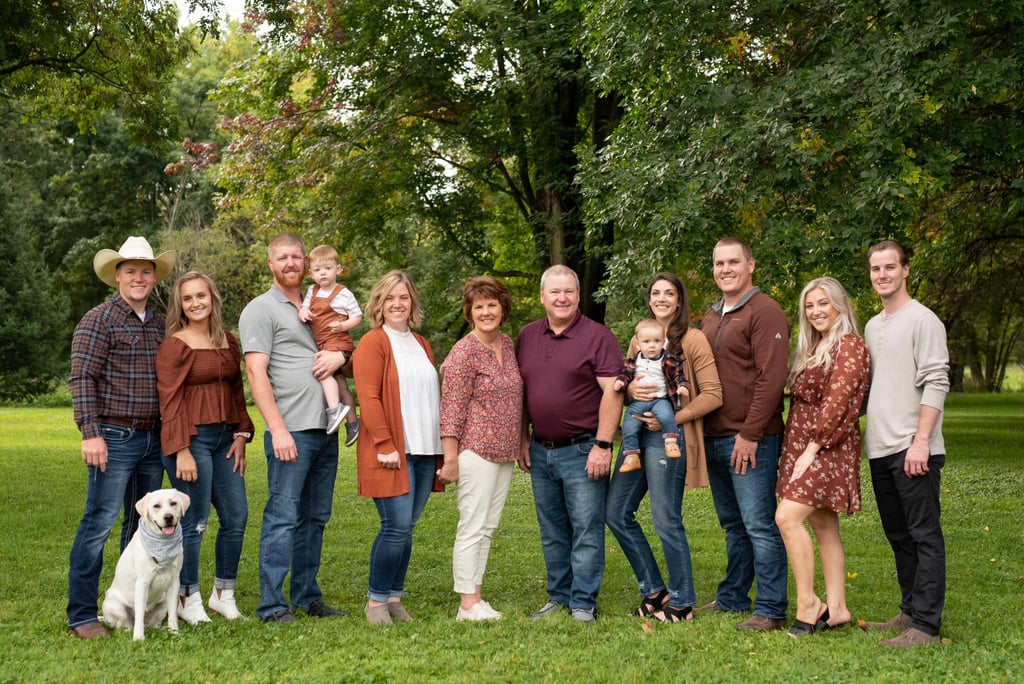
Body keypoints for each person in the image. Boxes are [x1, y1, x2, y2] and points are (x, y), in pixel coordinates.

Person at [67, 235, 177, 639]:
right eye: (131, 271)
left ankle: (137, 605)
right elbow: (82, 377)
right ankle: (82, 615)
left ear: (154, 277)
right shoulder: (99, 319)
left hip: (153, 437)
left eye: (146, 271)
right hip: (113, 436)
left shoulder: (161, 324)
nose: (138, 278)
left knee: (142, 524)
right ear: (117, 275)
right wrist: (91, 433)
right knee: (99, 521)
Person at [239, 233, 348, 623]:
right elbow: (256, 372)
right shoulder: (260, 309)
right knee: (283, 517)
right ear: (270, 264)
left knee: (315, 517)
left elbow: (340, 348)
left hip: (325, 427)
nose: (290, 263)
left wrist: (339, 357)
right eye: (282, 257)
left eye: (296, 257)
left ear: (306, 262)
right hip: (291, 431)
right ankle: (272, 605)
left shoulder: (320, 303)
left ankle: (307, 596)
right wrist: (278, 429)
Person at [607, 273, 723, 624]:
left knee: (665, 519)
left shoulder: (693, 339)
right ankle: (655, 590)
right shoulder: (640, 337)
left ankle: (683, 601)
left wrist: (673, 416)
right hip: (637, 436)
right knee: (615, 512)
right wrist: (631, 392)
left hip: (668, 437)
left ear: (679, 300)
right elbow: (629, 381)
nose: (661, 298)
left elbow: (713, 394)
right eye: (655, 293)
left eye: (669, 293)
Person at [516, 265, 624, 623]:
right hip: (540, 449)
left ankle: (583, 603)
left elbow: (613, 393)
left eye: (569, 292)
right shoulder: (527, 336)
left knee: (586, 530)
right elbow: (521, 392)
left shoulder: (597, 336)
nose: (562, 298)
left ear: (578, 295)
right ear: (542, 297)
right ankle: (558, 596)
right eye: (555, 292)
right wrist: (522, 438)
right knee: (551, 531)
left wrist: (603, 445)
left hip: (583, 449)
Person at [861, 240, 950, 648]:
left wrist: (921, 441)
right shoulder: (872, 326)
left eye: (889, 267)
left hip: (914, 449)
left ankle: (926, 626)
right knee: (899, 535)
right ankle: (910, 610)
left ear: (905, 270)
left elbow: (936, 381)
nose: (882, 275)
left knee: (924, 535)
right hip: (880, 449)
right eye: (876, 269)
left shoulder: (923, 320)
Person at [700, 237, 790, 631]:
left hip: (752, 438)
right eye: (719, 263)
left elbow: (772, 378)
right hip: (714, 436)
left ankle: (771, 608)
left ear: (750, 265)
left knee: (759, 524)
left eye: (733, 262)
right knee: (733, 525)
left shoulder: (765, 311)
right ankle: (733, 596)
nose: (726, 269)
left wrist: (751, 434)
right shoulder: (711, 316)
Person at [156, 271, 255, 623]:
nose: (196, 303)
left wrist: (242, 434)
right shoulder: (174, 345)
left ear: (212, 297)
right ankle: (187, 599)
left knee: (236, 517)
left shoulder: (228, 340)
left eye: (201, 295)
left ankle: (223, 596)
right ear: (180, 305)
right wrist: (181, 449)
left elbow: (236, 391)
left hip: (225, 440)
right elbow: (169, 401)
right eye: (188, 298)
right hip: (191, 441)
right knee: (195, 522)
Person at [774, 277, 870, 637]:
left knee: (787, 518)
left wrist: (812, 449)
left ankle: (808, 604)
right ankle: (839, 608)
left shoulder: (850, 346)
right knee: (825, 526)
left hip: (828, 446)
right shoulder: (814, 346)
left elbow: (839, 403)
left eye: (822, 303)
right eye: (809, 305)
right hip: (803, 443)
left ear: (839, 306)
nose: (815, 311)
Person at [352, 270, 443, 625]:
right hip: (391, 451)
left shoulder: (421, 344)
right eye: (389, 298)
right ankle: (376, 602)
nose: (397, 304)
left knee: (407, 527)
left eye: (403, 297)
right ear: (379, 303)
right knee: (396, 525)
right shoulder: (373, 342)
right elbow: (369, 397)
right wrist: (385, 443)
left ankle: (394, 597)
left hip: (424, 450)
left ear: (412, 301)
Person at [438, 277, 523, 621]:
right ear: (470, 312)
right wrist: (450, 459)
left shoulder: (508, 344)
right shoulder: (464, 352)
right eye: (479, 307)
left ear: (503, 309)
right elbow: (451, 409)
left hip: (505, 451)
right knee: (472, 526)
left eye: (492, 305)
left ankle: (477, 597)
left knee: (488, 527)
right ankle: (466, 603)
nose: (486, 312)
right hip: (475, 449)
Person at [298, 244, 362, 444]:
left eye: (328, 268)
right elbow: (304, 307)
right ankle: (353, 424)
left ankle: (335, 410)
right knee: (341, 385)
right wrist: (303, 312)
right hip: (323, 343)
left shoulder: (343, 293)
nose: (323, 273)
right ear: (311, 273)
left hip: (337, 341)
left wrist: (343, 325)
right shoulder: (312, 290)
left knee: (322, 372)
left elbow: (357, 316)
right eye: (317, 270)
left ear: (338, 269)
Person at [612, 318, 691, 473]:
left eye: (657, 341)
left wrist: (683, 386)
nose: (652, 345)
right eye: (646, 342)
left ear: (664, 342)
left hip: (660, 399)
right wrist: (621, 382)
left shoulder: (668, 360)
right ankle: (631, 455)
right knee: (628, 424)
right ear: (637, 343)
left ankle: (671, 442)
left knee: (667, 415)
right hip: (639, 402)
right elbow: (625, 374)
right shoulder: (634, 361)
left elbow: (679, 375)